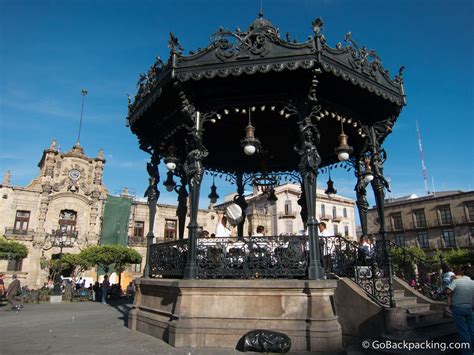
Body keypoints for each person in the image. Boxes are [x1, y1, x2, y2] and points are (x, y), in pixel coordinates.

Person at [446, 266, 474, 355]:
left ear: (462, 272)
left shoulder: (456, 281)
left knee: (463, 331)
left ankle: (467, 352)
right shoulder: (473, 283)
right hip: (469, 308)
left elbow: (448, 291)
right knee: (471, 330)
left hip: (458, 308)